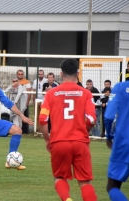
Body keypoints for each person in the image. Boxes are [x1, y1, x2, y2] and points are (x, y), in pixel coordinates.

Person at [39, 59, 97, 201]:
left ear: (60, 74)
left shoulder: (51, 94)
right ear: (78, 73)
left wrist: (48, 140)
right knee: (85, 182)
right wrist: (84, 131)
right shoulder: (86, 93)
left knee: (59, 177)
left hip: (59, 142)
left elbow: (42, 119)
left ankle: (67, 199)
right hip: (80, 142)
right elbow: (91, 119)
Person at [104, 54, 129, 201]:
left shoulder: (121, 87)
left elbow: (109, 116)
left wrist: (109, 136)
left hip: (125, 142)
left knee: (112, 186)